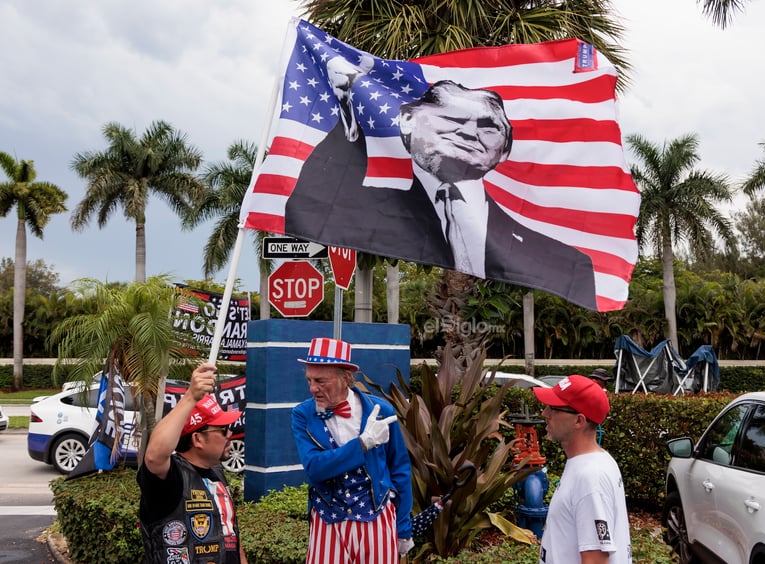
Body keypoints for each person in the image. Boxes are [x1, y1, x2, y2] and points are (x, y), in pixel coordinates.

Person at [284, 79, 598, 311]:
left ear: (505, 149)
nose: (468, 133)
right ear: (407, 121)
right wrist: (349, 119)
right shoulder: (373, 208)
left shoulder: (565, 261)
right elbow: (310, 203)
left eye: (488, 127)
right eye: (452, 119)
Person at [291, 337, 414, 563]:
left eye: (320, 380)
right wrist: (363, 444)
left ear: (346, 378)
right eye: (309, 380)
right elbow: (315, 468)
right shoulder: (302, 414)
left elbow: (400, 469)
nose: (312, 388)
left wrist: (404, 527)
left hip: (376, 516)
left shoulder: (381, 410)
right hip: (328, 519)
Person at [137, 362, 247, 563]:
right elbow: (154, 456)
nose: (230, 434)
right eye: (223, 430)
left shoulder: (216, 471)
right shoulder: (171, 478)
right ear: (197, 440)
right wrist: (190, 397)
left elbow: (231, 535)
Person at [533, 375, 631, 564]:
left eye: (553, 408)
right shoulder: (596, 462)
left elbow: (595, 559)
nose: (545, 413)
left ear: (579, 421)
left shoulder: (589, 477)